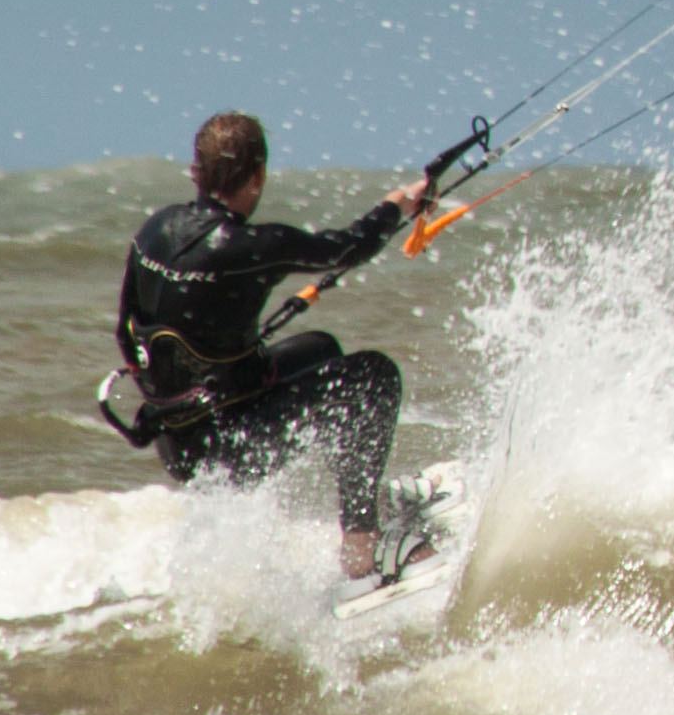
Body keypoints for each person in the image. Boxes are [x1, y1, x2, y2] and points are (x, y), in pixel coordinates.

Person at [110, 112, 437, 582]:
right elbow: (349, 248)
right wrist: (399, 204)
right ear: (258, 176)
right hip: (228, 448)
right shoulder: (249, 247)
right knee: (373, 376)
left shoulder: (153, 231)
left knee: (321, 349)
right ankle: (362, 547)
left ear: (195, 172)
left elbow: (126, 332)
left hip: (175, 439)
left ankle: (362, 496)